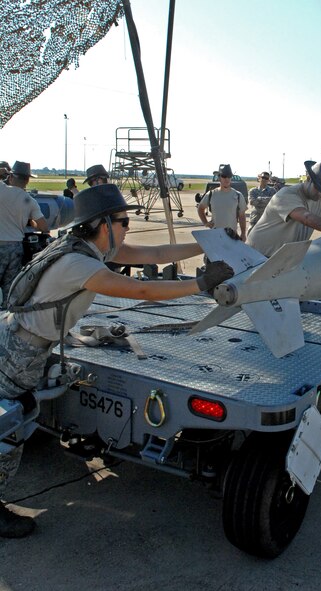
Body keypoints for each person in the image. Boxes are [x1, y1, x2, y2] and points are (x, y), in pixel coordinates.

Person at [0, 183, 234, 538]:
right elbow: (143, 290)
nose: (128, 227)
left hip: (21, 343)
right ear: (104, 224)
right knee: (9, 433)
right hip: (20, 352)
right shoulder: (78, 263)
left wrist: (211, 242)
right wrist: (200, 284)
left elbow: (155, 254)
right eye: (124, 221)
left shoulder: (82, 248)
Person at [246, 157, 321, 257]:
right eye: (318, 188)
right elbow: (306, 218)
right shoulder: (286, 195)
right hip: (257, 255)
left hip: (281, 259)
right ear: (308, 179)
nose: (320, 193)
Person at [0, 161, 49, 307]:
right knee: (10, 289)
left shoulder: (2, 190)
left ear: (10, 177)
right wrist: (28, 222)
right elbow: (44, 227)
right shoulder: (30, 201)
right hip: (16, 248)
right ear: (27, 180)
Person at [197, 164, 247, 240]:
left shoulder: (238, 196)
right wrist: (205, 223)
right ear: (219, 177)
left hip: (231, 236)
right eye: (224, 176)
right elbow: (200, 208)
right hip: (215, 236)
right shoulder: (211, 194)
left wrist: (243, 233)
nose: (227, 179)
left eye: (229, 176)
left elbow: (242, 216)